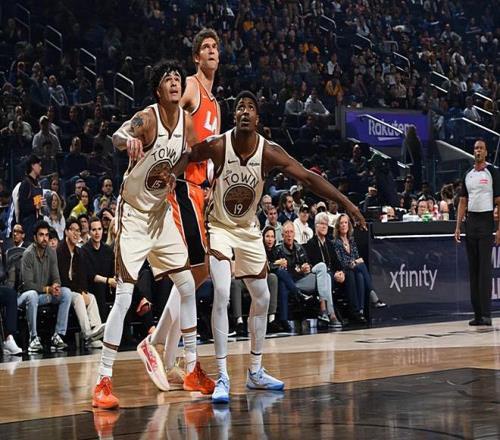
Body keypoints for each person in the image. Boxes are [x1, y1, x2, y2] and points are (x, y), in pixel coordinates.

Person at [187, 90, 365, 403]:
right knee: (223, 291)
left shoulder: (269, 152)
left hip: (248, 229)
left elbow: (308, 178)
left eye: (250, 107)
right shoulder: (218, 145)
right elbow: (186, 156)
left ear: (258, 118)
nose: (244, 111)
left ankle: (255, 371)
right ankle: (223, 376)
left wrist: (347, 203)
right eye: (239, 107)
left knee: (263, 295)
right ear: (234, 116)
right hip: (220, 226)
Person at [92, 61, 213, 411]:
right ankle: (103, 380)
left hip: (160, 214)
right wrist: (129, 139)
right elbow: (117, 136)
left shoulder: (186, 121)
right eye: (167, 79)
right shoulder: (147, 119)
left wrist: (179, 172)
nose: (174, 82)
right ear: (158, 90)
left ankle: (191, 369)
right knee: (124, 297)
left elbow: (189, 153)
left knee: (187, 285)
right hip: (133, 215)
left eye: (177, 78)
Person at [139, 28, 221, 388]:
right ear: (196, 57)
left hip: (202, 189)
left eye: (215, 47)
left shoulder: (216, 103)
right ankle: (158, 345)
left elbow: (210, 149)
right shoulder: (189, 86)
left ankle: (167, 354)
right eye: (205, 47)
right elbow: (168, 109)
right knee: (193, 270)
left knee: (198, 274)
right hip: (183, 186)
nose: (212, 51)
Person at [455, 139, 500, 326]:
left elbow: (498, 201)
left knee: (484, 270)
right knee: (473, 270)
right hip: (471, 222)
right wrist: (458, 226)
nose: (478, 151)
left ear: (486, 152)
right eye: (475, 148)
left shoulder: (493, 172)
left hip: (486, 221)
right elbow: (462, 201)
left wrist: (499, 229)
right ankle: (477, 314)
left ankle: (486, 314)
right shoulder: (468, 174)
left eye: (481, 148)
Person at [18, 220, 72, 353]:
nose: (45, 238)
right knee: (32, 295)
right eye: (41, 235)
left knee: (66, 293)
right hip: (25, 296)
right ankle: (33, 338)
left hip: (45, 295)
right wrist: (48, 289)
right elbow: (28, 284)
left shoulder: (51, 252)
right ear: (35, 237)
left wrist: (56, 286)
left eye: (47, 235)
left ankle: (58, 335)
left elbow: (56, 277)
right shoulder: (28, 254)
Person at [57, 218, 105, 348]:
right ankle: (87, 335)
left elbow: (82, 276)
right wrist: (80, 292)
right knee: (78, 298)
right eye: (72, 230)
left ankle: (96, 333)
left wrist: (84, 290)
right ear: (66, 232)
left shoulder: (79, 252)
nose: (75, 233)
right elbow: (63, 279)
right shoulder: (60, 250)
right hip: (64, 290)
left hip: (75, 290)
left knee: (91, 297)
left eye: (78, 231)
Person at [334, 214, 384, 316]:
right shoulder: (336, 242)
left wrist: (355, 262)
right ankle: (373, 295)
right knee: (360, 266)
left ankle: (360, 310)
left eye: (346, 223)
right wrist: (355, 262)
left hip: (355, 268)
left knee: (360, 275)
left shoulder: (351, 240)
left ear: (349, 225)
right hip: (344, 270)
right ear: (338, 226)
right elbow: (342, 262)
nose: (344, 225)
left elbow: (357, 257)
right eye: (341, 223)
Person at [82, 217, 115, 321]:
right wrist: (107, 280)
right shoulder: (84, 250)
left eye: (99, 229)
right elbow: (90, 276)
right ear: (89, 232)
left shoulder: (108, 250)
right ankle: (102, 325)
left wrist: (114, 279)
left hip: (108, 287)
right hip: (92, 287)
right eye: (94, 230)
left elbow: (112, 271)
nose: (97, 233)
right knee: (99, 287)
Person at [18, 154, 44, 238]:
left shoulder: (38, 183)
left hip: (38, 222)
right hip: (28, 225)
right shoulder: (25, 184)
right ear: (33, 165)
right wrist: (35, 206)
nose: (41, 168)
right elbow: (22, 206)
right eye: (39, 165)